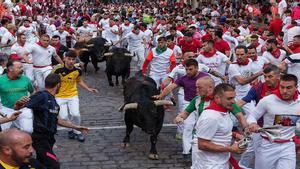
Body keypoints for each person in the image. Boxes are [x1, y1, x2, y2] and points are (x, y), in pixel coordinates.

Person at [14, 73, 89, 169]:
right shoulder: (41, 96)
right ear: (58, 84)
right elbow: (17, 107)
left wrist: (76, 127)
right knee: (54, 165)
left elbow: (56, 120)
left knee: (42, 165)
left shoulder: (52, 99)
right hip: (40, 140)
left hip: (49, 140)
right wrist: (18, 104)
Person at [153, 58, 210, 156]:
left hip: (204, 104)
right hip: (188, 104)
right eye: (186, 69)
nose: (187, 72)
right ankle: (186, 151)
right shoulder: (183, 78)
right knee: (187, 127)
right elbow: (170, 87)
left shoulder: (205, 77)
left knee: (201, 127)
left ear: (197, 68)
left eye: (190, 69)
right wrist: (161, 96)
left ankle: (201, 148)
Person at [247, 74, 300, 169]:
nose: (284, 91)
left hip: (288, 146)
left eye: (289, 88)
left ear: (296, 87)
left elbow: (293, 122)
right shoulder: (267, 100)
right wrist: (253, 123)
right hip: (268, 145)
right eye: (282, 87)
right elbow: (252, 116)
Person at [194, 83, 246, 168]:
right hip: (210, 165)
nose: (233, 101)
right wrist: (230, 149)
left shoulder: (223, 112)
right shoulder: (211, 117)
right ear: (217, 98)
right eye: (229, 98)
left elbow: (219, 130)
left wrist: (235, 134)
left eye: (233, 98)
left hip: (220, 161)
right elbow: (202, 144)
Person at [52, 51, 98, 142]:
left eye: (73, 59)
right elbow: (51, 81)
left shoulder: (78, 70)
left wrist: (88, 88)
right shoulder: (57, 69)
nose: (71, 61)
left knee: (75, 114)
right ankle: (70, 130)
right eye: (69, 59)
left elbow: (79, 81)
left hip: (72, 95)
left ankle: (77, 131)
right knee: (64, 117)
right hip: (59, 96)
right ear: (64, 59)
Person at [0, 60, 34, 133]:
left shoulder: (25, 79)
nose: (22, 69)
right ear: (10, 69)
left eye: (22, 67)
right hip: (6, 110)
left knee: (28, 131)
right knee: (4, 133)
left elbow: (33, 92)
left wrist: (30, 102)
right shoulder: (1, 80)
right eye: (19, 68)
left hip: (23, 109)